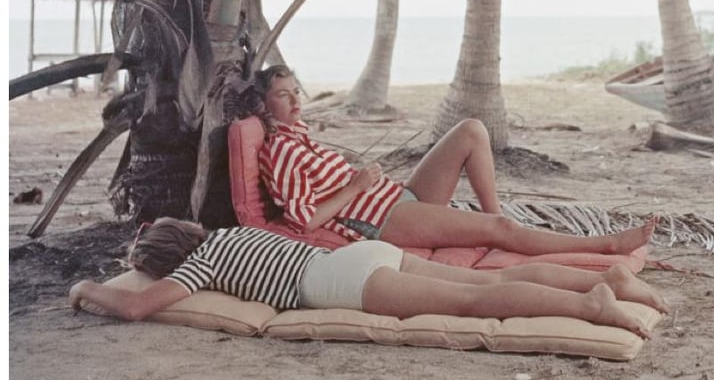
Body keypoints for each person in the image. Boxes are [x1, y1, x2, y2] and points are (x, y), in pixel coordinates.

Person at [255, 65, 655, 256]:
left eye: (296, 91)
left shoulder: (299, 136)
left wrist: (359, 180)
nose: (295, 101)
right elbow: (304, 221)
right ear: (264, 104)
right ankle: (603, 246)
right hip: (383, 220)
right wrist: (357, 186)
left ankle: (500, 226)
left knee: (471, 130)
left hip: (399, 198)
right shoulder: (280, 150)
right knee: (497, 227)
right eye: (283, 95)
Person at [68, 218, 665, 334]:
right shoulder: (229, 235)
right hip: (357, 257)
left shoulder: (202, 265)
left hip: (338, 286)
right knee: (484, 285)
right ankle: (610, 274)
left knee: (474, 304)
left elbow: (136, 308)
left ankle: (591, 306)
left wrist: (85, 288)